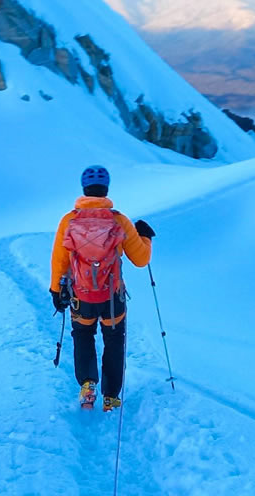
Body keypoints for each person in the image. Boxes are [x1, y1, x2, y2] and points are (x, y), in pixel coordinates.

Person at [50, 165, 154, 411]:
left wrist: (56, 290)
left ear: (84, 189)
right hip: (112, 298)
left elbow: (60, 260)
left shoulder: (69, 220)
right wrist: (145, 238)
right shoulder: (119, 220)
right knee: (115, 340)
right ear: (106, 189)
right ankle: (111, 397)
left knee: (83, 336)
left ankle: (87, 385)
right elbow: (141, 260)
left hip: (82, 297)